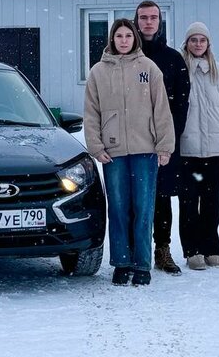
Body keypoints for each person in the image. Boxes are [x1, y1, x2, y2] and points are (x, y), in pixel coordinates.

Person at [84, 18, 175, 286]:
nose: (124, 41)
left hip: (145, 150)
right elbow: (91, 113)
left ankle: (142, 264)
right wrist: (96, 146)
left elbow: (161, 109)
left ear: (135, 38)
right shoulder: (98, 72)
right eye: (119, 36)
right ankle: (121, 263)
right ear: (112, 39)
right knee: (118, 208)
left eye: (128, 36)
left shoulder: (149, 68)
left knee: (143, 208)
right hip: (113, 153)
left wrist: (164, 146)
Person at [178, 22, 219, 270]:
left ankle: (211, 247)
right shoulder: (180, 69)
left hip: (215, 146)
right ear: (187, 43)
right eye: (193, 40)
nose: (198, 44)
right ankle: (192, 250)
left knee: (212, 200)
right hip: (187, 147)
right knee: (188, 200)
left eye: (202, 40)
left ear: (208, 44)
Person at [133, 1, 190, 275]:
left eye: (153, 17)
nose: (148, 22)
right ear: (136, 20)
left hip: (162, 142)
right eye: (143, 17)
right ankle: (135, 250)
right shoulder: (126, 56)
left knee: (162, 197)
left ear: (159, 21)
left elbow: (181, 102)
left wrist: (170, 137)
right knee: (133, 198)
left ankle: (162, 248)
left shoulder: (173, 59)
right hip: (131, 140)